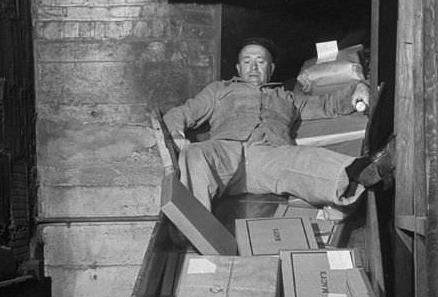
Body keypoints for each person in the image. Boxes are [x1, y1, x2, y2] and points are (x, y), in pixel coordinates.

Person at [163, 37, 394, 216]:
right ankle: (193, 230)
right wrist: (176, 134)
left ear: (271, 68)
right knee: (195, 154)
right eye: (247, 62)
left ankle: (363, 174)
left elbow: (327, 105)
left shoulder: (287, 97)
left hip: (271, 156)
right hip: (226, 152)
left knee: (307, 158)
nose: (253, 67)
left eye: (260, 62)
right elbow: (182, 113)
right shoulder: (219, 90)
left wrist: (359, 88)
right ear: (238, 68)